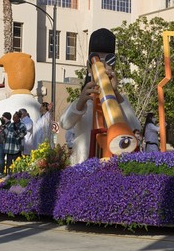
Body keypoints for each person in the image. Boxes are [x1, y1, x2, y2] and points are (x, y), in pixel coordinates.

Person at [60, 28, 141, 165]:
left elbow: (134, 126)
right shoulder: (85, 102)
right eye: (97, 61)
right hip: (84, 165)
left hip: (113, 164)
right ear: (89, 66)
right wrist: (80, 102)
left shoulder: (119, 101)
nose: (103, 66)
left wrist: (116, 94)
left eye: (108, 61)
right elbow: (65, 123)